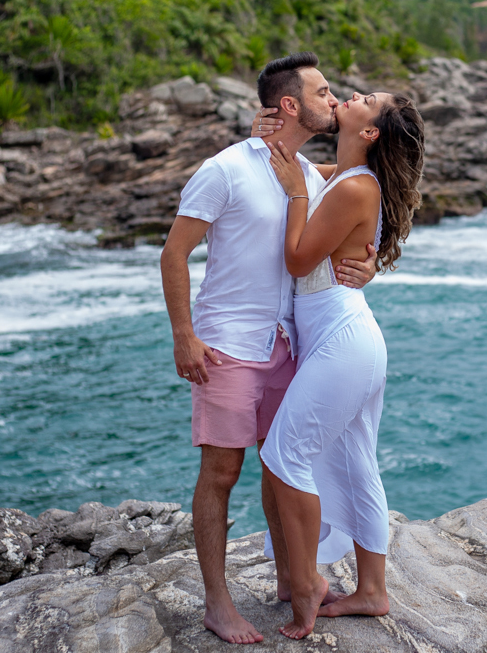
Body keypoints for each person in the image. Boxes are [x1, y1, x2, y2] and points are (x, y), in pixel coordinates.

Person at [159, 52, 379, 645]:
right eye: (324, 91)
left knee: (280, 461)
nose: (334, 100)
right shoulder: (225, 169)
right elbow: (174, 253)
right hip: (226, 343)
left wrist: (371, 262)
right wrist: (184, 334)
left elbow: (363, 193)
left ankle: (290, 578)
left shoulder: (307, 174)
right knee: (221, 471)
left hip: (285, 342)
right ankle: (217, 602)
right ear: (289, 104)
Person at [258, 89, 425, 639]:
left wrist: (294, 198)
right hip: (347, 335)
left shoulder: (353, 186)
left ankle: (305, 584)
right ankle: (372, 591)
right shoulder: (349, 175)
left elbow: (300, 257)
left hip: (343, 339)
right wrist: (271, 134)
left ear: (371, 130)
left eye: (365, 98)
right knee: (356, 462)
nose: (352, 94)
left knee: (284, 455)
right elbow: (301, 167)